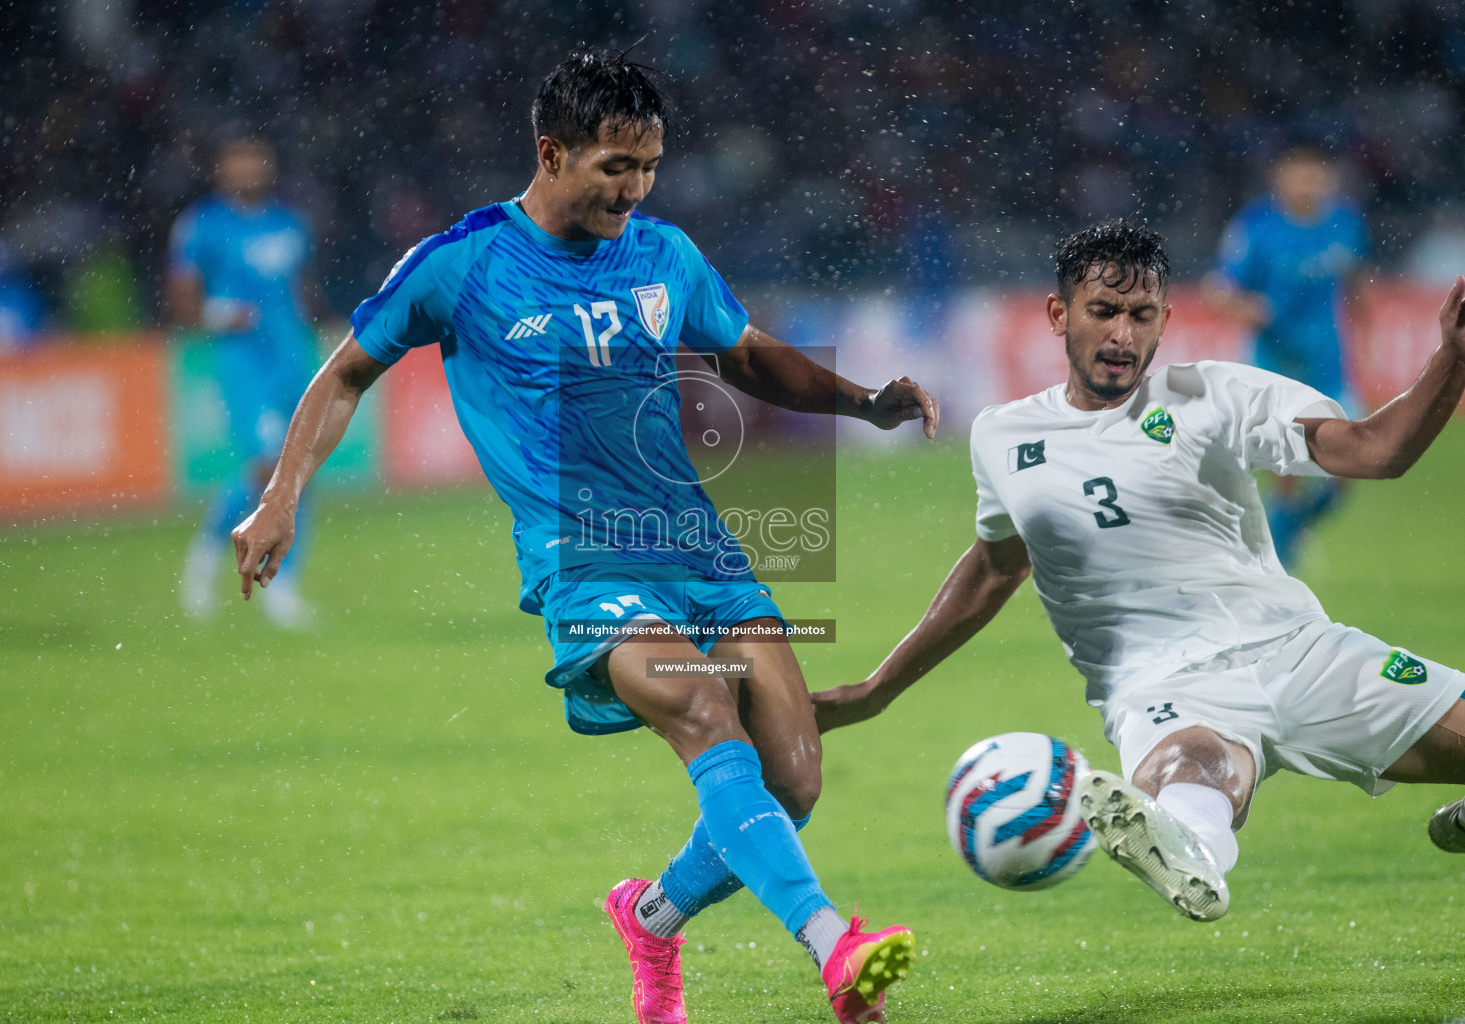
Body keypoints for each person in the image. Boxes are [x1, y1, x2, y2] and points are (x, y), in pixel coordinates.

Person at [230, 52, 933, 1024]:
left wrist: (863, 404)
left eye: (646, 167)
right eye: (613, 166)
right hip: (582, 556)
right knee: (699, 711)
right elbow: (345, 373)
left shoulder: (664, 254)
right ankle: (832, 944)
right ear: (551, 152)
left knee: (796, 777)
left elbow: (747, 354)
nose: (632, 188)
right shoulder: (463, 263)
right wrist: (281, 497)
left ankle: (650, 915)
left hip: (701, 548)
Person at [812, 219, 1465, 923]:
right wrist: (877, 690)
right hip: (1162, 687)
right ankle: (1187, 849)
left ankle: (1189, 837)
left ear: (1165, 321)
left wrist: (1453, 354)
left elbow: (1376, 452)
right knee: (1192, 772)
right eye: (1103, 312)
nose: (1122, 334)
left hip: (1299, 649)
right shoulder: (1004, 437)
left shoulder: (1211, 395)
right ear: (1060, 314)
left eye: (1140, 315)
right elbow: (995, 568)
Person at [167, 137, 321, 627]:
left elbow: (303, 289)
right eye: (238, 161)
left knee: (301, 472)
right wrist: (216, 313)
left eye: (258, 159)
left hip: (294, 356)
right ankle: (207, 556)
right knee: (263, 468)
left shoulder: (290, 222)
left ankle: (285, 589)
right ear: (220, 170)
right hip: (243, 361)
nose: (250, 168)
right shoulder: (203, 224)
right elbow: (182, 297)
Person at [1207, 145, 1371, 569]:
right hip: (1275, 366)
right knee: (1289, 467)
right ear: (1279, 177)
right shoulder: (1256, 228)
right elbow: (1219, 288)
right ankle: (1279, 560)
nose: (1307, 181)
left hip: (1328, 363)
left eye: (1315, 173)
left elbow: (1355, 281)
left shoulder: (1344, 223)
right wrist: (1249, 307)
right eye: (1298, 172)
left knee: (1353, 467)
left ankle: (1290, 528)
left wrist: (1363, 324)